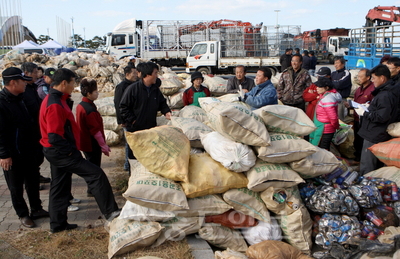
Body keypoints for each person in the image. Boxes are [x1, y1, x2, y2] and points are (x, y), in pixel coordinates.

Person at [39, 68, 120, 233]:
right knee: (96, 175)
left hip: (54, 150)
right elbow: (54, 136)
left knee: (59, 186)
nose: (74, 86)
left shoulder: (56, 98)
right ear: (64, 83)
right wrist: (70, 152)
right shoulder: (54, 104)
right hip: (60, 151)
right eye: (72, 83)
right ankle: (111, 213)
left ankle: (58, 225)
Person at [0, 67, 49, 228]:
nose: (26, 84)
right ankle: (23, 214)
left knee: (33, 181)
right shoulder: (2, 102)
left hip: (29, 149)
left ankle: (37, 209)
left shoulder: (20, 97)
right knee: (16, 186)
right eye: (23, 81)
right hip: (12, 154)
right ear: (13, 83)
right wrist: (4, 154)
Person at [119, 62, 172, 152]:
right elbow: (123, 107)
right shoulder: (133, 89)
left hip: (150, 128)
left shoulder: (154, 89)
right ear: (147, 74)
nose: (157, 76)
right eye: (155, 73)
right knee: (136, 154)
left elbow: (162, 103)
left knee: (149, 153)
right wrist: (133, 120)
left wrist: (166, 111)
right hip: (135, 130)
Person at [357, 65, 400, 175]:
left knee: (367, 164)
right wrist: (369, 107)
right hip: (376, 132)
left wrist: (365, 113)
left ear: (382, 78)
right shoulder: (387, 91)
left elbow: (382, 116)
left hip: (374, 134)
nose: (372, 81)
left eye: (374, 78)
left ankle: (366, 186)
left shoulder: (385, 94)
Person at [21, 62, 51, 186]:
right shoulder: (23, 90)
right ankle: (30, 180)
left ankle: (36, 176)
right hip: (29, 130)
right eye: (34, 72)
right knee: (31, 157)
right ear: (26, 73)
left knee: (38, 156)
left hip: (37, 128)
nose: (37, 75)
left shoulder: (33, 87)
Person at [77, 78, 110, 166]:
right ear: (89, 94)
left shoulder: (81, 105)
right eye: (95, 92)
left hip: (85, 142)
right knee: (94, 166)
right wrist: (103, 146)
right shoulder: (89, 110)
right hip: (91, 144)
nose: (98, 94)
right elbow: (95, 131)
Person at [343, 69, 374, 162]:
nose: (358, 78)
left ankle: (362, 160)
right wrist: (350, 105)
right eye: (358, 76)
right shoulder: (359, 89)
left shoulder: (372, 90)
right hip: (357, 118)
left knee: (363, 141)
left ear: (368, 77)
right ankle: (357, 159)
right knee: (356, 140)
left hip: (366, 119)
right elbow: (356, 102)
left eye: (361, 76)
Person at [113, 65, 138, 171]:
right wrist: (121, 120)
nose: (136, 75)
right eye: (134, 73)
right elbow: (118, 104)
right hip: (126, 119)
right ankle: (127, 164)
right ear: (127, 74)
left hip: (134, 117)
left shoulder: (136, 84)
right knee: (128, 142)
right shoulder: (121, 86)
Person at [309, 77, 342, 150]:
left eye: (319, 86)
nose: (317, 88)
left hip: (325, 129)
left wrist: (336, 126)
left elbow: (333, 117)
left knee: (323, 150)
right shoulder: (324, 96)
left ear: (326, 88)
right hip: (321, 127)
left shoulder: (328, 99)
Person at [331, 57, 352, 121]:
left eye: (337, 63)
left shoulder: (346, 73)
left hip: (341, 100)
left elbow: (339, 85)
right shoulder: (333, 73)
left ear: (343, 64)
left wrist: (332, 83)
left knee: (340, 120)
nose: (335, 65)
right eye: (335, 63)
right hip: (332, 99)